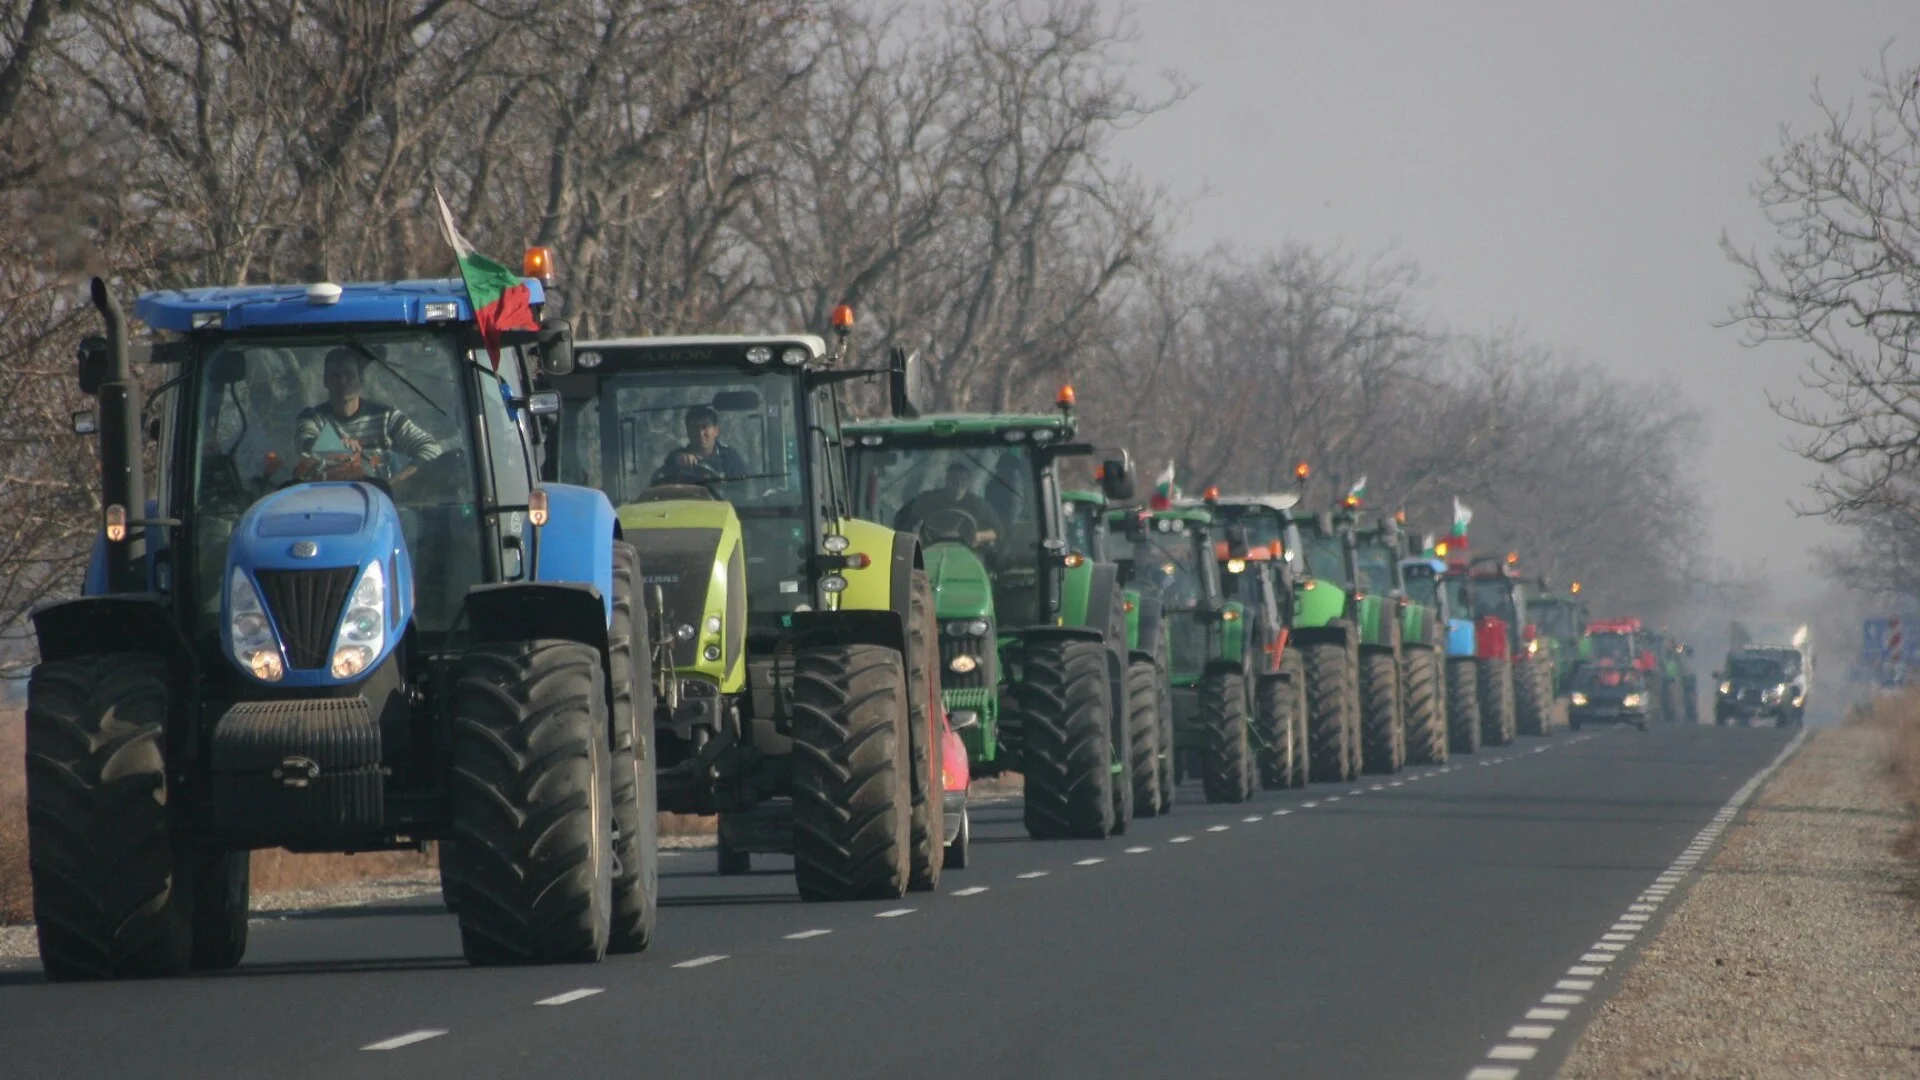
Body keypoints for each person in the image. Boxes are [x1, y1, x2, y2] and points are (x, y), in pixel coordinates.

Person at [292, 348, 443, 484]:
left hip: (379, 504)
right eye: (335, 375)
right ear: (325, 381)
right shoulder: (313, 417)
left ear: (361, 379)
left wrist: (392, 485)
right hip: (327, 500)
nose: (342, 381)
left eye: (349, 374)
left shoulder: (386, 417)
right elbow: (306, 442)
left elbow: (431, 448)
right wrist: (336, 447)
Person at [894, 462, 1002, 547]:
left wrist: (980, 536)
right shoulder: (928, 499)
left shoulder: (977, 504)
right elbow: (904, 522)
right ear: (946, 480)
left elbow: (998, 530)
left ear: (968, 483)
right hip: (930, 548)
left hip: (969, 551)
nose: (959, 484)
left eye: (963, 480)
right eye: (954, 479)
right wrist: (915, 538)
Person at [653, 405, 749, 484]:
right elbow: (660, 486)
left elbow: (740, 492)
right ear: (688, 431)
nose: (700, 433)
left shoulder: (730, 459)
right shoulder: (675, 459)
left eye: (705, 427)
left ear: (716, 431)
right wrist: (677, 465)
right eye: (694, 428)